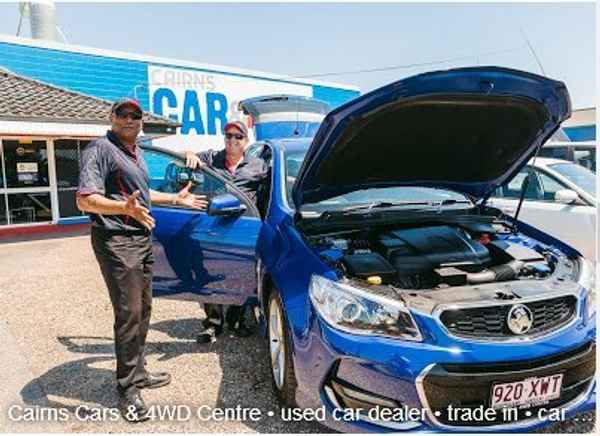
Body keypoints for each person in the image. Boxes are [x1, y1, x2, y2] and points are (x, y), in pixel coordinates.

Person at [76, 98, 208, 422]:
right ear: (111, 117)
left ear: (141, 123)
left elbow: (142, 195)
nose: (129, 119)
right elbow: (84, 200)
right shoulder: (100, 149)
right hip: (117, 241)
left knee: (145, 308)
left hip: (140, 239)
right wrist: (124, 209)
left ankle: (139, 373)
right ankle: (127, 391)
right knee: (129, 313)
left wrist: (175, 198)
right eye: (123, 114)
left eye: (135, 116)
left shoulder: (136, 153)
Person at [183, 120, 269, 343]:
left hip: (244, 227)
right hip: (214, 226)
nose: (232, 140)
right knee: (209, 273)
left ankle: (237, 319)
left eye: (238, 137)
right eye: (228, 135)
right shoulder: (212, 158)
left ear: (246, 141)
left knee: (241, 274)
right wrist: (190, 154)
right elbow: (186, 153)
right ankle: (213, 323)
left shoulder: (258, 165)